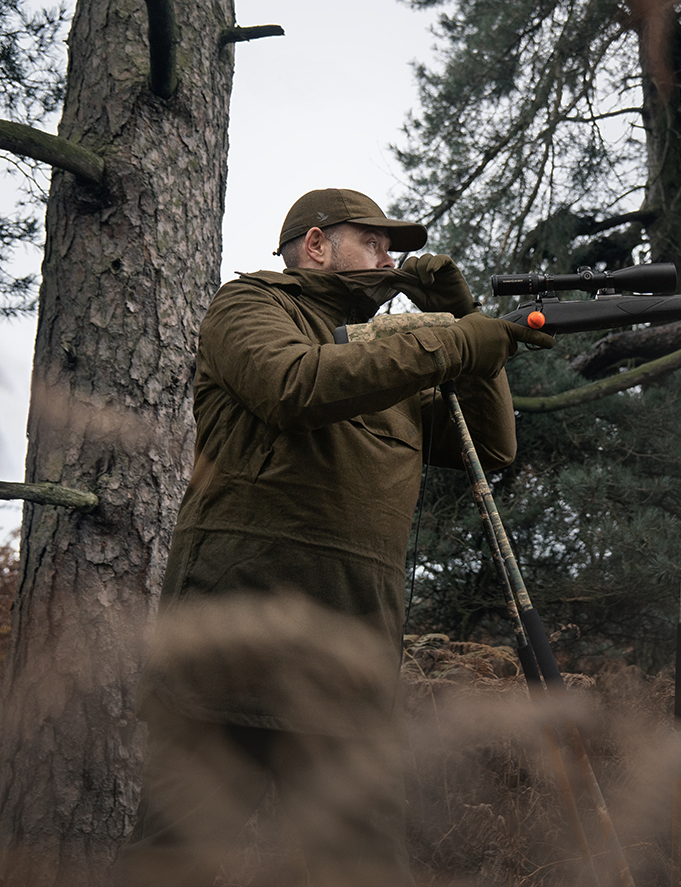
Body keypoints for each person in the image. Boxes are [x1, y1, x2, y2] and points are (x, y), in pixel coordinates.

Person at [117, 189, 553, 886]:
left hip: (351, 651)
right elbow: (293, 385)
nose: (389, 258)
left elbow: (493, 448)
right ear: (317, 245)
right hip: (234, 640)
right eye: (373, 242)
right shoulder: (251, 306)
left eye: (392, 247)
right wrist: (449, 339)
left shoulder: (394, 355)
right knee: (177, 863)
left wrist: (468, 322)